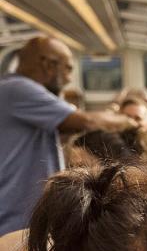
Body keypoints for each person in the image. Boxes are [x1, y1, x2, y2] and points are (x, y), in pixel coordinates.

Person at [0, 36, 136, 235]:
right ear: (47, 65)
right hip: (16, 219)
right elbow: (87, 122)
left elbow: (65, 129)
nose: (69, 78)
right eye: (67, 68)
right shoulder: (19, 89)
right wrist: (128, 122)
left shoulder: (14, 90)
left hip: (24, 215)